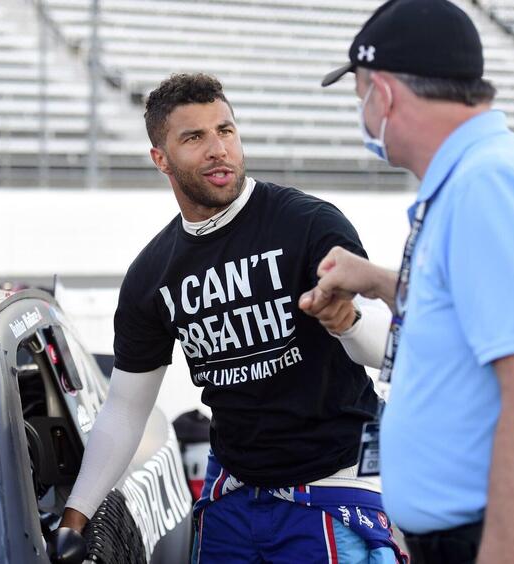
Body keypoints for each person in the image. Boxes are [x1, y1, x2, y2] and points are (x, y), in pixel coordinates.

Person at [56, 73, 406, 563]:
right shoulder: (150, 274)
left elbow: (387, 347)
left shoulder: (307, 223)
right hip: (233, 495)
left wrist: (345, 321)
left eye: (225, 130)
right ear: (161, 159)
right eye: (194, 137)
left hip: (330, 487)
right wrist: (77, 514)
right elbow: (126, 409)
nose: (218, 149)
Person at [299, 0, 514, 562]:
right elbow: (467, 306)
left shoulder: (486, 183)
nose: (362, 113)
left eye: (359, 97)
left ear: (385, 93)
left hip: (479, 538)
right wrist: (377, 281)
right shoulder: (469, 178)